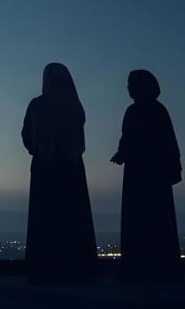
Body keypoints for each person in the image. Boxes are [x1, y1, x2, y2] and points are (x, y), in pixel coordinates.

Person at [21, 63, 97, 284]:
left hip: (45, 169)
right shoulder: (75, 106)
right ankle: (77, 267)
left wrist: (39, 148)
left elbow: (27, 135)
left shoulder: (38, 105)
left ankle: (44, 268)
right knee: (72, 216)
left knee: (45, 217)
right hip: (72, 169)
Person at [111, 69, 182, 281]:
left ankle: (139, 265)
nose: (128, 88)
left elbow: (130, 138)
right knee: (157, 217)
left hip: (140, 173)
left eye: (131, 84)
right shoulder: (158, 110)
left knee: (140, 216)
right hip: (154, 174)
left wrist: (123, 153)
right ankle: (162, 265)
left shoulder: (135, 112)